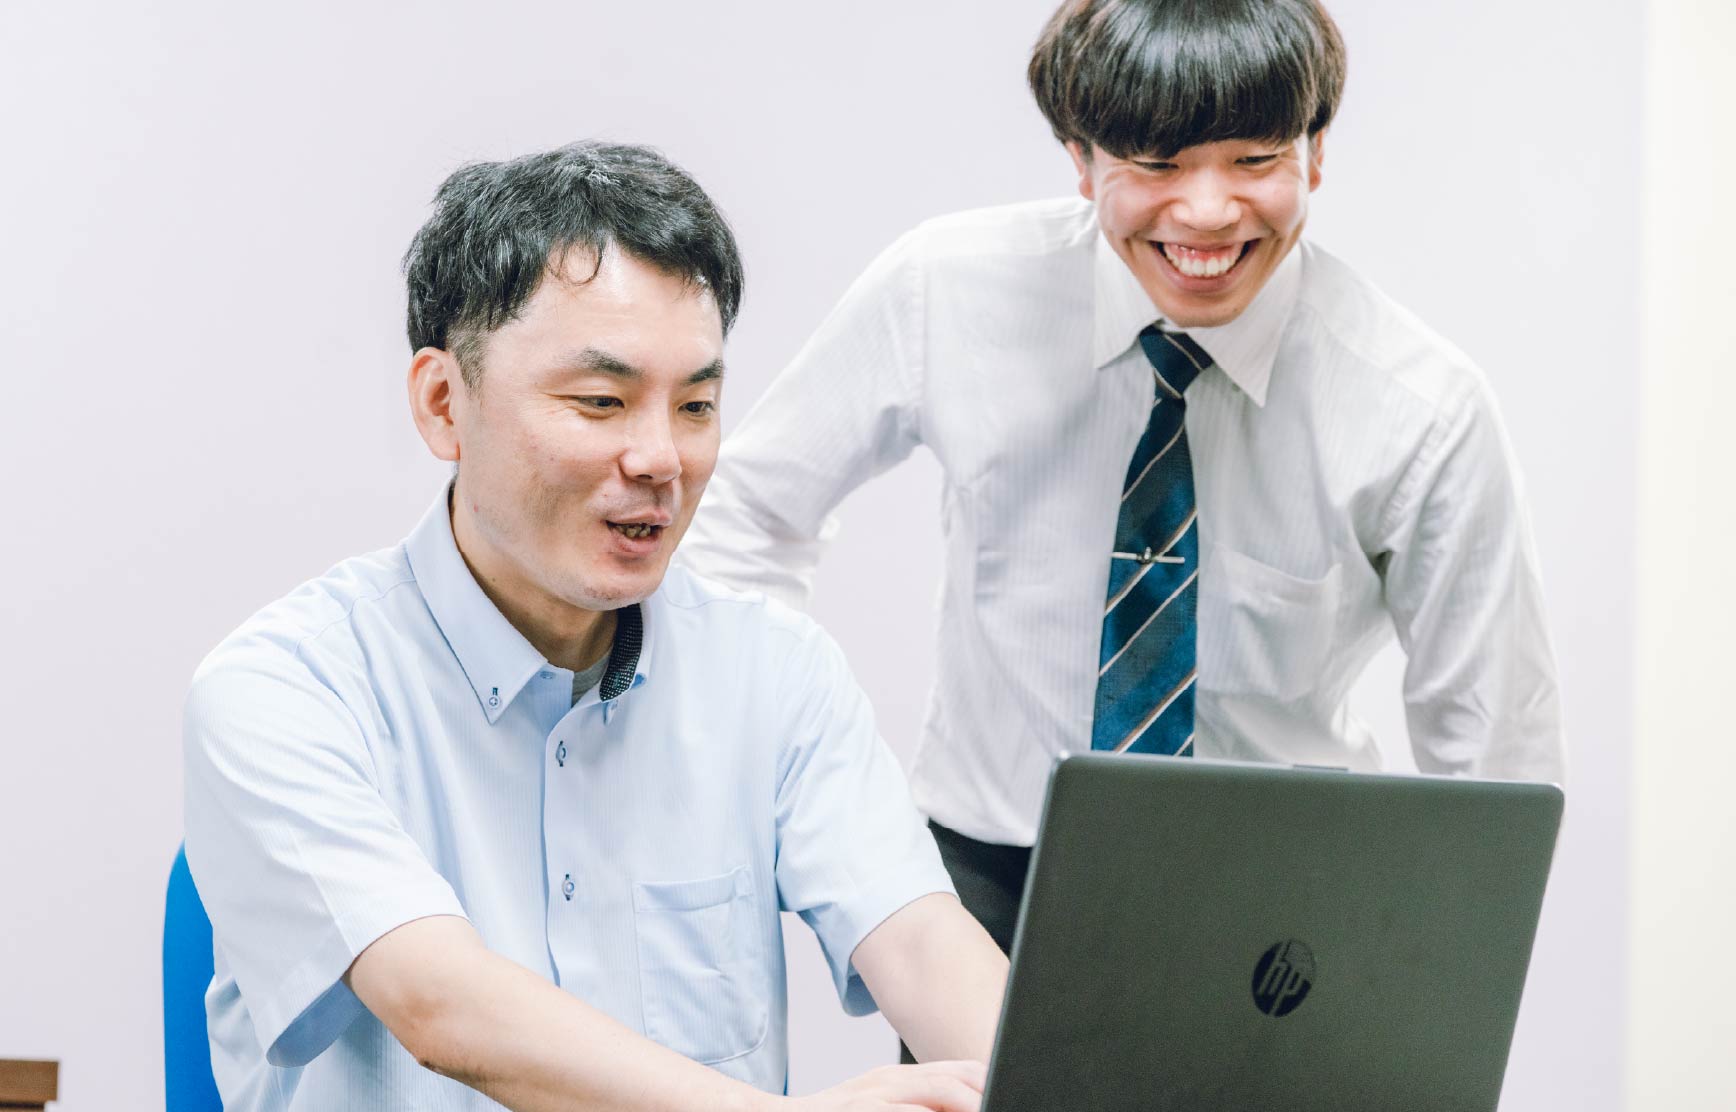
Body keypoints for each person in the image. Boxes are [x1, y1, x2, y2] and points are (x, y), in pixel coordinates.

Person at [679, 0, 1566, 966]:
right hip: (989, 876)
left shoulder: (1422, 410)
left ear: (1316, 155)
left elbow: (1497, 763)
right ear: (1082, 159)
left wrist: (1430, 980)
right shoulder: (947, 291)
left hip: (1285, 898)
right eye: (1157, 163)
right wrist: (783, 773)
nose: (1207, 211)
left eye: (1255, 159)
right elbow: (744, 512)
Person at [182, 141, 1007, 1112]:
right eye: (601, 402)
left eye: (696, 404)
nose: (661, 458)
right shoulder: (285, 687)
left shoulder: (774, 672)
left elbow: (919, 940)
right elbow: (442, 1006)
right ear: (444, 404)